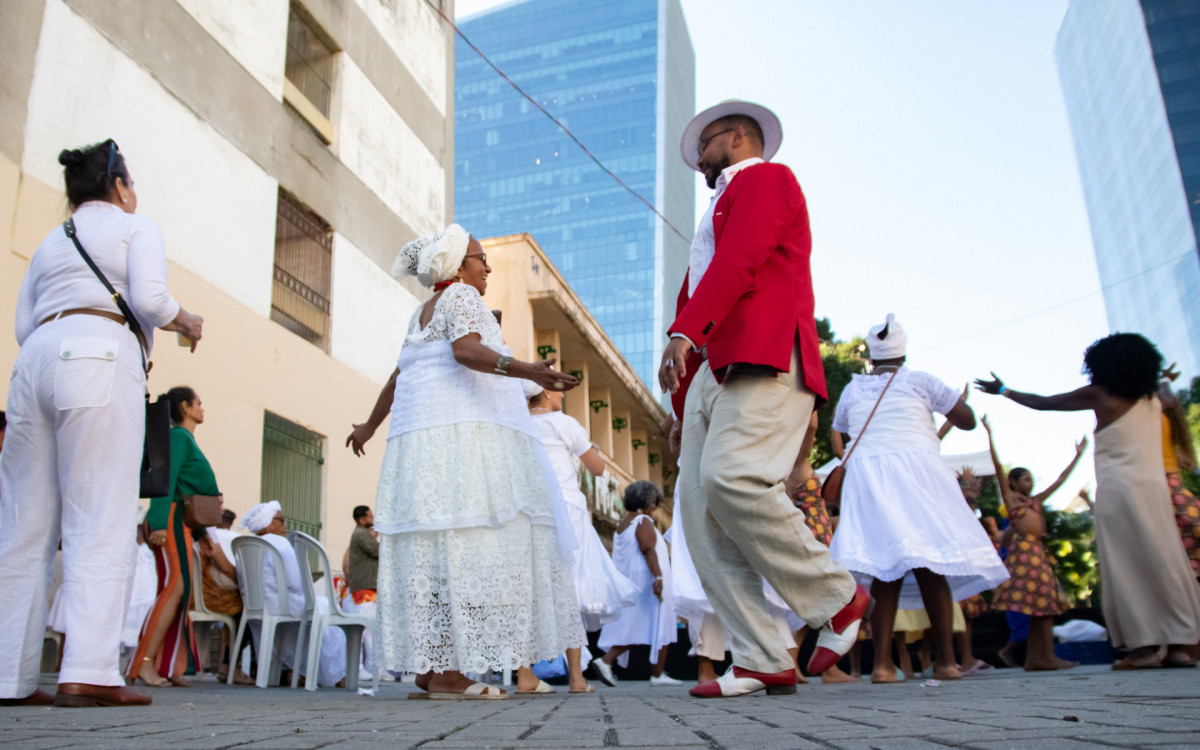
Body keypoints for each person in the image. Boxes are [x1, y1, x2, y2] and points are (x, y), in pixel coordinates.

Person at [659, 100, 868, 699]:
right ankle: (760, 656)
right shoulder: (717, 206)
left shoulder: (767, 179)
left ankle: (837, 596)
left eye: (705, 145)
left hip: (764, 350)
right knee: (699, 517)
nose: (698, 158)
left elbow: (743, 258)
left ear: (737, 136)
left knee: (734, 478)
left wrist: (682, 333)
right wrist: (681, 412)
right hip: (712, 370)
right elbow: (701, 289)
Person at [0, 140, 203, 708]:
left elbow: (22, 324)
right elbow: (152, 299)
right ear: (118, 185)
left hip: (34, 360)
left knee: (22, 526)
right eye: (130, 183)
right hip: (99, 359)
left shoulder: (49, 242)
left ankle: (7, 678)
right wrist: (187, 321)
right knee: (101, 514)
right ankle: (87, 671)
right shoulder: (136, 228)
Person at [348, 224, 584, 698]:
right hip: (457, 446)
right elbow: (466, 351)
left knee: (437, 551)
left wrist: (369, 426)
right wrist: (528, 369)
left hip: (420, 451)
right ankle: (450, 674)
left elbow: (399, 377)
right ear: (457, 267)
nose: (487, 267)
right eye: (479, 259)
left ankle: (433, 668)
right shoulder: (461, 298)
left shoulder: (421, 313)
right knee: (469, 549)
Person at [976, 333, 1200, 669]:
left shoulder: (1100, 394)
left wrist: (1004, 390)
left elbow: (1044, 402)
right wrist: (1160, 379)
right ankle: (1181, 646)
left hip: (1119, 490)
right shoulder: (1155, 399)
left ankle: (1142, 650)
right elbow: (1168, 393)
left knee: (1127, 565)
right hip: (1155, 489)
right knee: (1166, 559)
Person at [829, 314, 1008, 683]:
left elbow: (841, 430)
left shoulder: (854, 389)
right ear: (903, 351)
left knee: (884, 568)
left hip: (871, 477)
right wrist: (954, 400)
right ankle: (945, 661)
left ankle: (881, 665)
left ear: (871, 355)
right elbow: (968, 420)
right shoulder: (920, 381)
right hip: (918, 474)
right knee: (930, 564)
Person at [524, 379, 637, 693]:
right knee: (570, 586)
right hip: (567, 511)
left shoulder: (518, 424)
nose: (562, 394)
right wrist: (594, 453)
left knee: (532, 586)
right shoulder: (564, 423)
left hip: (531, 510)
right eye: (558, 389)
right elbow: (598, 469)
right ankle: (576, 677)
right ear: (546, 391)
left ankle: (525, 673)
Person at [126, 387, 216, 688]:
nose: (202, 408)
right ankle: (144, 664)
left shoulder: (187, 439)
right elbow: (165, 477)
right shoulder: (178, 437)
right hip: (171, 519)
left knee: (180, 590)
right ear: (185, 407)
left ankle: (167, 664)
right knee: (173, 588)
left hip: (183, 522)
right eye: (198, 402)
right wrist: (160, 522)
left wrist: (201, 533)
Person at [982, 420, 1085, 672]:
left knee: (1045, 607)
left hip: (1038, 553)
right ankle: (1042, 657)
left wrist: (1078, 455)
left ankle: (1038, 658)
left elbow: (1060, 480)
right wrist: (990, 434)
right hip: (1023, 554)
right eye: (1025, 480)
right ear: (1014, 483)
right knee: (1039, 606)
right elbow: (996, 468)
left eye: (1030, 479)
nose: (1030, 484)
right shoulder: (1012, 501)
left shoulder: (1036, 501)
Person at [241, 502, 347, 686]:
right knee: (326, 608)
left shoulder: (246, 545)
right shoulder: (279, 543)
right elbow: (296, 583)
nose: (284, 525)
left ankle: (297, 670)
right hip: (283, 606)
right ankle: (334, 675)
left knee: (315, 608)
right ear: (267, 523)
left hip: (257, 609)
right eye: (280, 520)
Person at [595, 482, 680, 686]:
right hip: (648, 581)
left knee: (646, 624)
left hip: (633, 580)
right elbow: (648, 549)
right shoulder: (643, 521)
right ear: (648, 501)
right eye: (653, 502)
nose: (655, 506)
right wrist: (658, 577)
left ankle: (658, 673)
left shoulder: (623, 523)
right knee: (650, 623)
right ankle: (607, 661)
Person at [1159, 365, 1200, 579]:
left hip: (1170, 488)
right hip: (1164, 488)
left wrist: (1164, 380)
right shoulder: (1151, 412)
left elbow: (1167, 398)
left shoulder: (1158, 412)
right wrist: (1164, 379)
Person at [346, 505, 379, 680]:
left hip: (368, 587)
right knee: (366, 629)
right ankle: (362, 669)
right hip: (364, 588)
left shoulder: (363, 534)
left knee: (369, 629)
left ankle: (371, 668)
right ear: (361, 519)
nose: (373, 518)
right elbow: (376, 551)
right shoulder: (361, 534)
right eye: (370, 516)